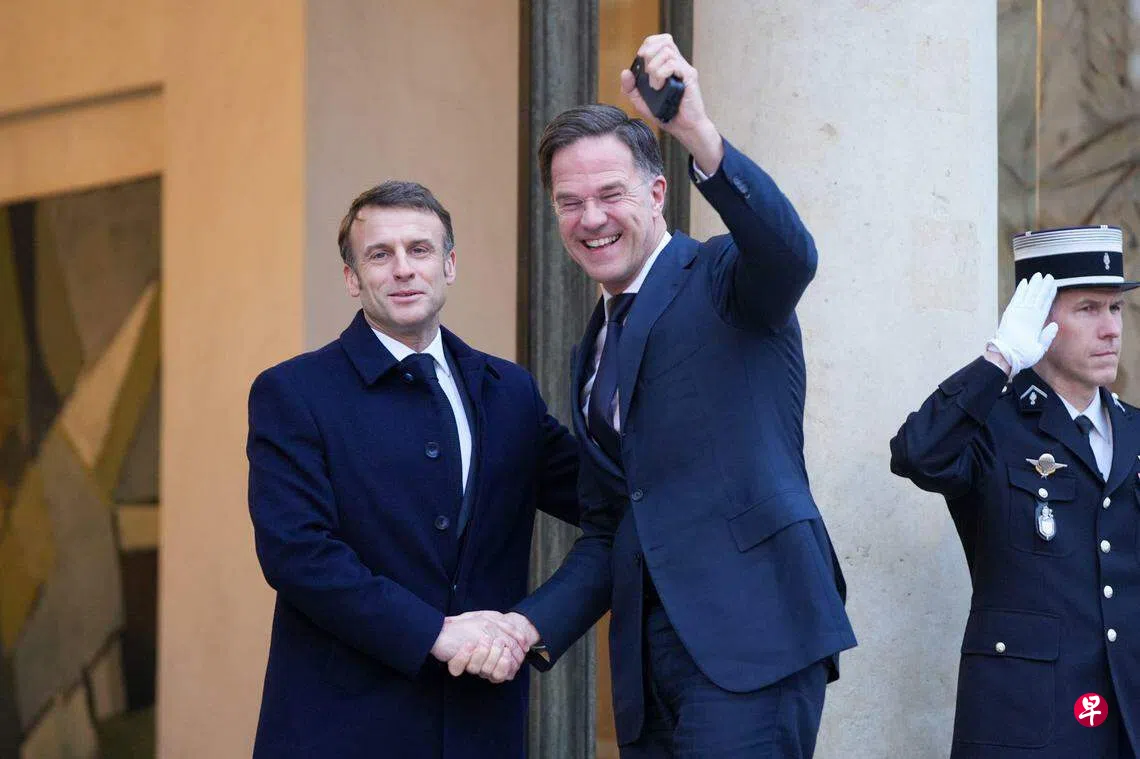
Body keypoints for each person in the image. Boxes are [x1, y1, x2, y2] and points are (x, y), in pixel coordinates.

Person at [457, 35, 856, 757]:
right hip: (649, 665)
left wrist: (697, 131)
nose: (591, 218)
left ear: (657, 192)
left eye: (610, 194)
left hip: (754, 640)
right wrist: (526, 624)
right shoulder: (590, 351)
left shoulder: (723, 277)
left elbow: (790, 254)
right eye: (570, 202)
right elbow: (610, 527)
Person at [245, 180, 579, 758]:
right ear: (352, 278)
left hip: (481, 728)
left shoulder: (510, 392)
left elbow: (607, 501)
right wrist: (435, 633)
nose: (403, 269)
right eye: (380, 254)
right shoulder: (294, 392)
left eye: (420, 250)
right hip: (342, 729)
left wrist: (534, 622)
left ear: (449, 265)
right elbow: (297, 553)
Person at [890, 225, 1140, 757]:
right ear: (1039, 319)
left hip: (1126, 723)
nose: (1110, 329)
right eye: (1088, 309)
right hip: (1026, 725)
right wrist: (999, 358)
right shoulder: (992, 427)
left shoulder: (1137, 433)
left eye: (1115, 308)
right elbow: (917, 454)